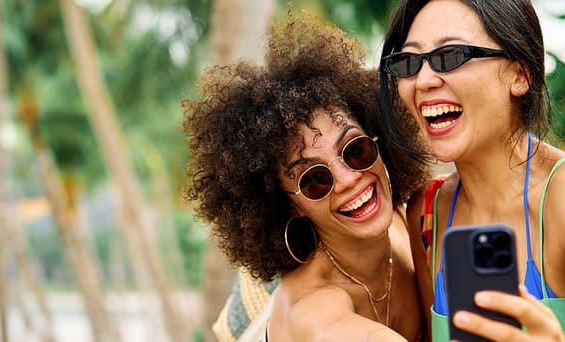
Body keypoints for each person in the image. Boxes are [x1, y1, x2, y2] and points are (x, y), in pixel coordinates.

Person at [377, 0, 565, 341]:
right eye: (409, 62)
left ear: (520, 75)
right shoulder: (428, 210)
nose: (422, 80)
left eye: (451, 56)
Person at [183, 14, 432, 341]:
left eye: (354, 150)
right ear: (289, 204)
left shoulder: (414, 221)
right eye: (315, 179)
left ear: (379, 141)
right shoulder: (312, 310)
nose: (347, 179)